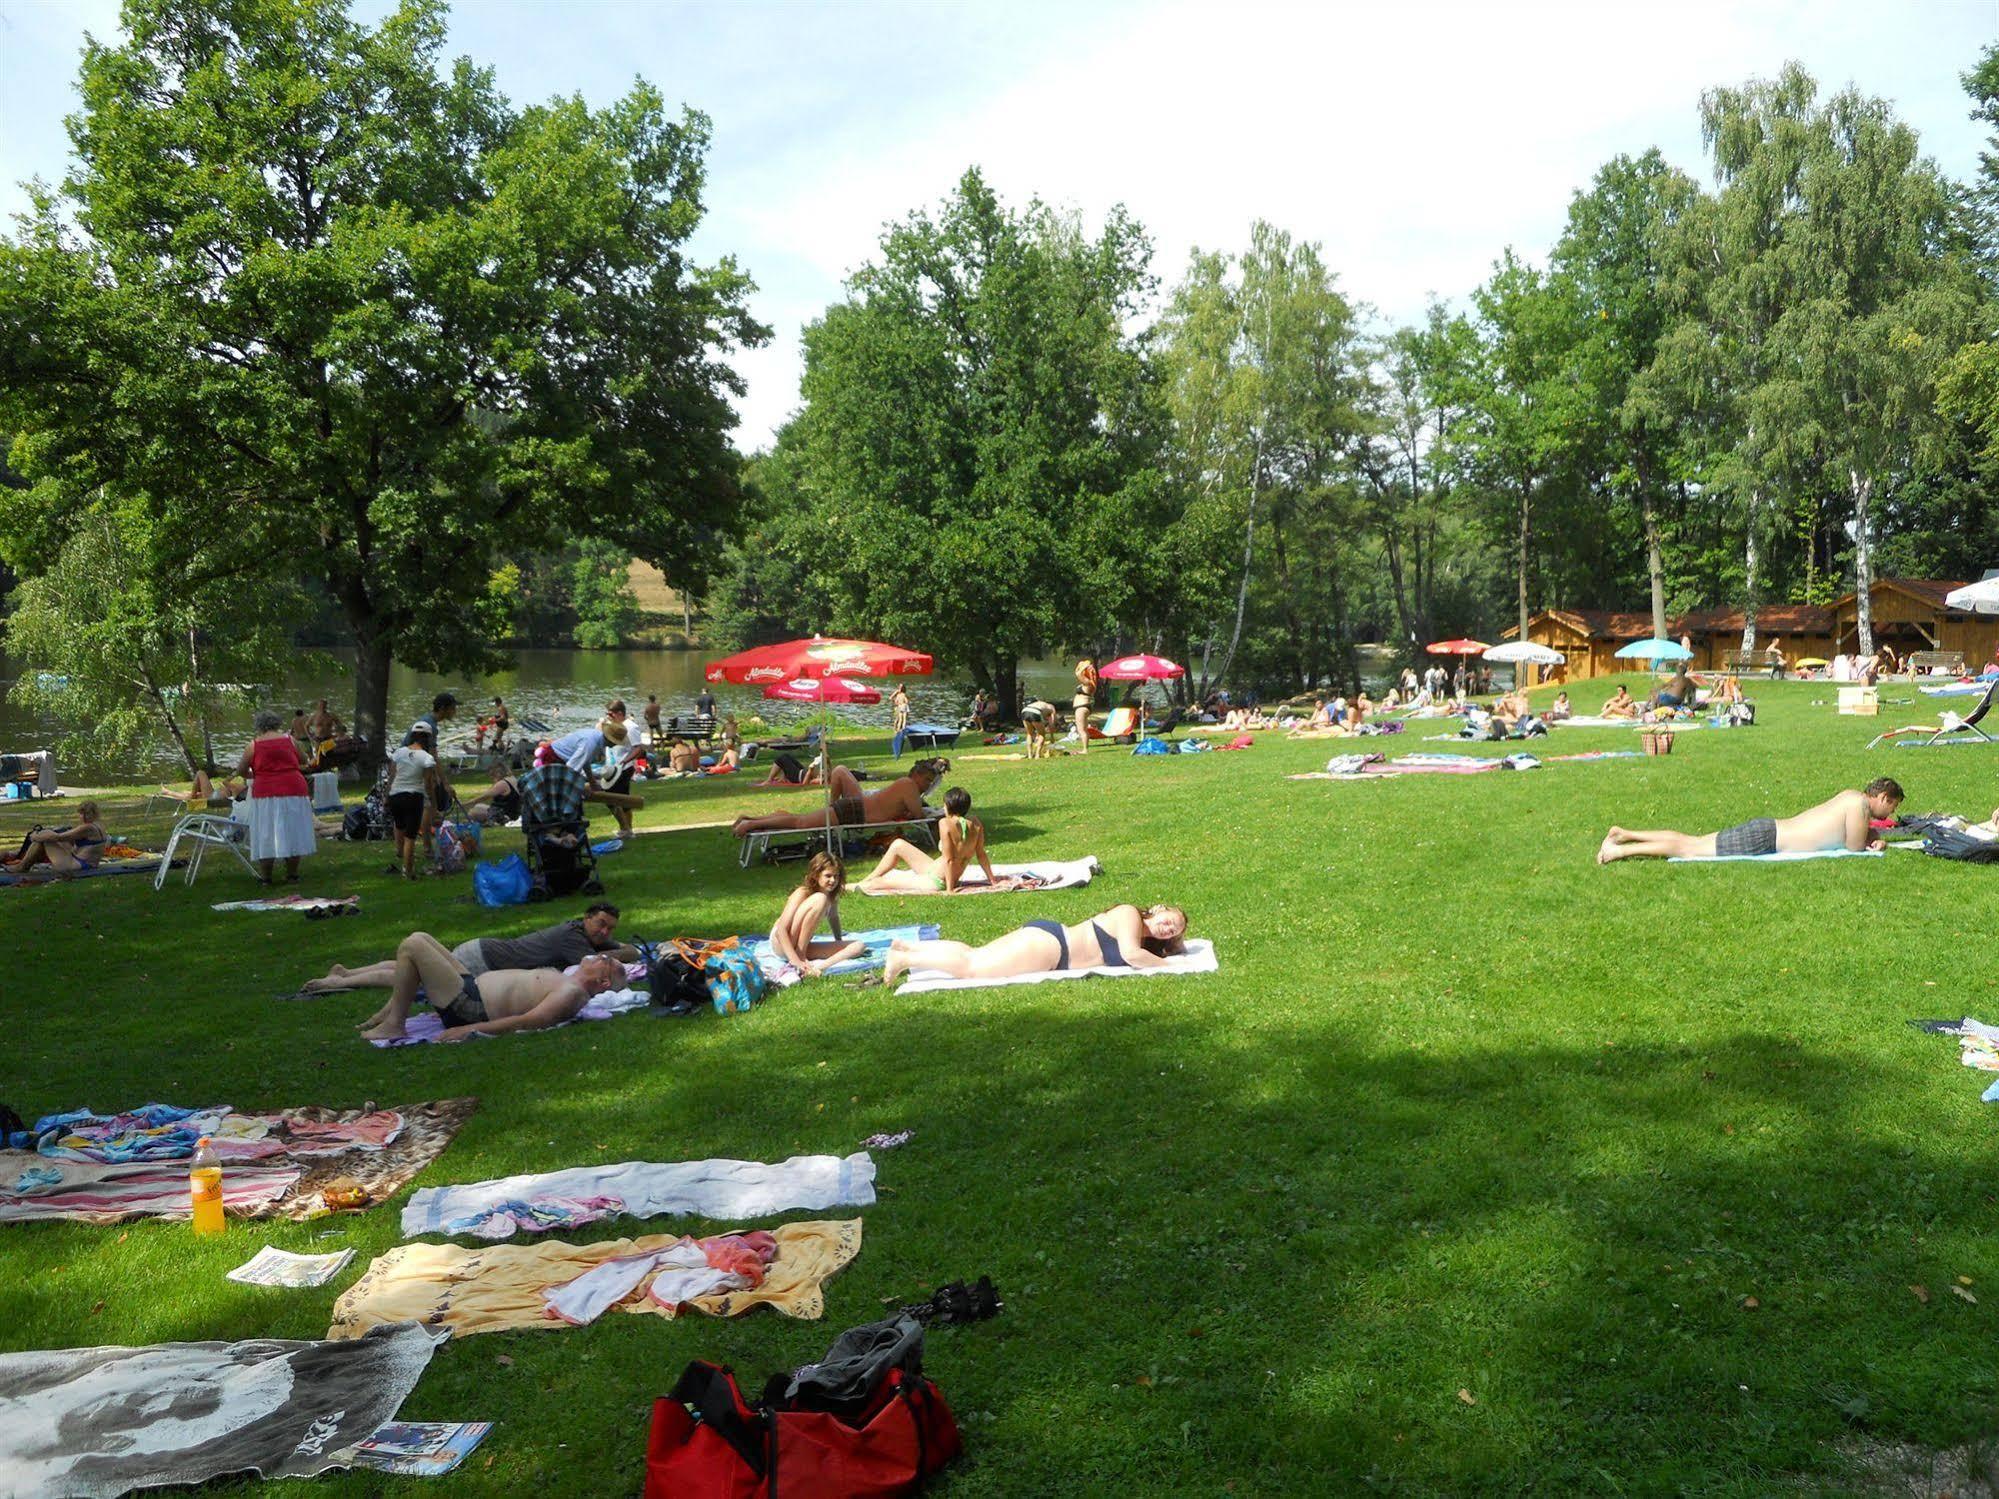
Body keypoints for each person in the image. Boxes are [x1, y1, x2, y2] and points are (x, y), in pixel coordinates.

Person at [301, 903, 638, 994]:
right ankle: (339, 982)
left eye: (609, 929)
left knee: (416, 966)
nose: (604, 932)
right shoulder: (574, 941)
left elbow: (625, 951)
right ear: (586, 919)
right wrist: (618, 950)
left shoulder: (579, 932)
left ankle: (347, 972)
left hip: (481, 951)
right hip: (481, 961)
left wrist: (616, 945)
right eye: (600, 925)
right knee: (414, 979)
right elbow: (607, 958)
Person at [354, 936, 625, 1043]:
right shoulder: (569, 980)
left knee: (412, 945)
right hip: (471, 988)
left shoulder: (572, 993)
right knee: (422, 938)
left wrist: (468, 1030)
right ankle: (387, 1017)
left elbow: (530, 1021)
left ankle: (394, 1024)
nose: (601, 956)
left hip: (471, 1008)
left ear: (603, 982)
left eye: (607, 962)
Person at [1596, 778, 1905, 864]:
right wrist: (1875, 845)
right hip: (1765, 840)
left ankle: (1624, 833)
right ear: (1883, 798)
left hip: (1768, 830)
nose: (1888, 814)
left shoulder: (1850, 796)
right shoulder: (1860, 807)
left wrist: (1869, 838)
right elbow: (1852, 847)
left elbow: (1851, 835)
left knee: (1690, 840)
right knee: (1687, 848)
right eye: (1891, 807)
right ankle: (1618, 850)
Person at [880, 903, 1188, 986]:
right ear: (1159, 908)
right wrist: (1170, 965)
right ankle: (905, 960)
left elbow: (1138, 951)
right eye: (1171, 920)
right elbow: (1131, 955)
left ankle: (909, 950)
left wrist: (1171, 950)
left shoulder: (1139, 935)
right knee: (972, 968)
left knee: (974, 955)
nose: (1168, 928)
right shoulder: (1130, 915)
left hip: (1049, 944)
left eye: (1173, 932)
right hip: (1051, 949)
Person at [857, 787, 1018, 894]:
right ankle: (868, 877)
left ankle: (851, 886)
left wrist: (949, 889)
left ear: (948, 806)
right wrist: (992, 880)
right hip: (934, 869)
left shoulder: (945, 824)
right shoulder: (975, 823)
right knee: (898, 844)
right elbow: (981, 854)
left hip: (936, 880)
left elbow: (949, 859)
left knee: (879, 884)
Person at [732, 758, 945, 838]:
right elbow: (918, 815)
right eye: (926, 780)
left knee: (801, 819)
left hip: (855, 808)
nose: (927, 785)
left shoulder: (904, 785)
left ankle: (752, 819)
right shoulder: (908, 785)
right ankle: (749, 825)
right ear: (915, 775)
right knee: (800, 822)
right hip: (853, 811)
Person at [235, 709, 315, 883]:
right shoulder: (290, 740)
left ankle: (266, 877)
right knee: (293, 829)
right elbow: (303, 761)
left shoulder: (253, 745)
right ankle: (292, 874)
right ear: (277, 723)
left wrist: (256, 775)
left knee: (265, 832)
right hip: (293, 787)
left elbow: (241, 769)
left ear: (259, 726)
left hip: (265, 791)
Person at [768, 853, 869, 978]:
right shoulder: (802, 893)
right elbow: (781, 931)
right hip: (783, 943)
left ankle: (817, 969)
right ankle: (800, 957)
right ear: (816, 875)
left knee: (859, 946)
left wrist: (839, 941)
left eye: (836, 876)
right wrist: (795, 960)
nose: (833, 880)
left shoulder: (832, 896)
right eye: (828, 876)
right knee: (820, 899)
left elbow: (833, 917)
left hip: (801, 946)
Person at [385, 722, 438, 878]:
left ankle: (400, 852)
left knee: (399, 825)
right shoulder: (427, 758)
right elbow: (428, 783)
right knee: (411, 836)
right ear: (428, 738)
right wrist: (433, 803)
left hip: (395, 795)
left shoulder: (399, 752)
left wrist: (387, 796)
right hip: (413, 796)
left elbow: (391, 776)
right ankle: (408, 871)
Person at [3, 800, 107, 876]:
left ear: (94, 813)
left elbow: (57, 837)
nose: (83, 817)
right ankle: (23, 863)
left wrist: (35, 836)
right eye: (81, 814)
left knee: (46, 839)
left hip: (78, 866)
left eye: (87, 814)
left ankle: (22, 866)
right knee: (48, 837)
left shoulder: (88, 827)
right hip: (86, 863)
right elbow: (68, 836)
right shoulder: (99, 825)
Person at [1073, 658, 1098, 755]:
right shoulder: (1088, 682)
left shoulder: (1088, 683)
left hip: (1082, 707)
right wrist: (1082, 666)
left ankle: (1085, 749)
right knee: (1083, 728)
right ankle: (1085, 748)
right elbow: (1078, 673)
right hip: (1082, 707)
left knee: (1081, 729)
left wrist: (1085, 666)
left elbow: (1078, 674)